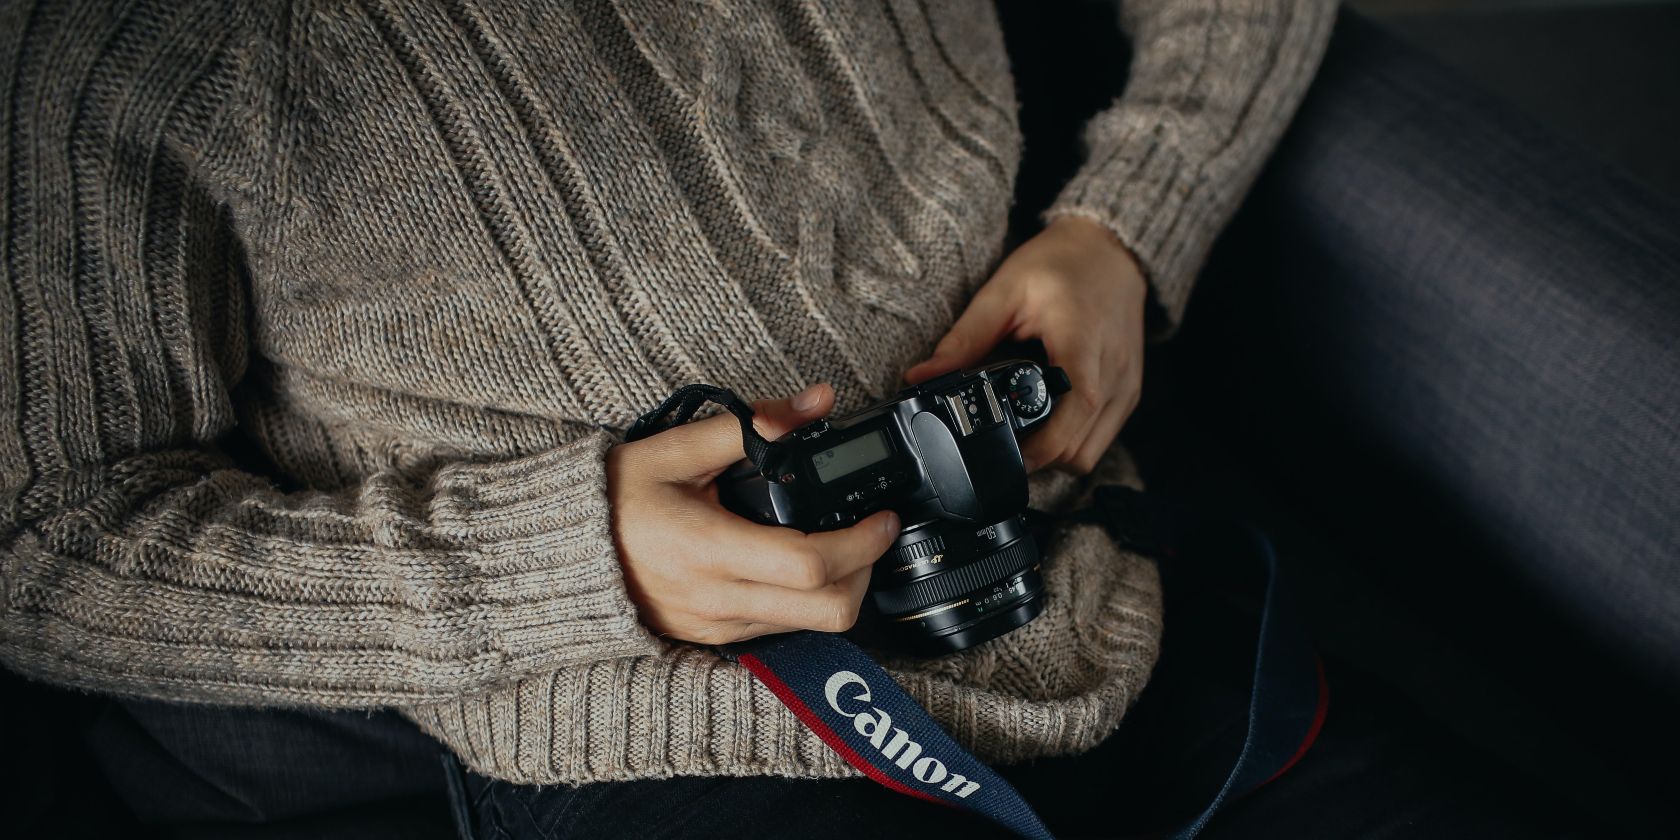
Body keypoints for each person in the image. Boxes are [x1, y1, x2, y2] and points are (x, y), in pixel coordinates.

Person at [0, 0, 1381, 837]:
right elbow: (47, 538)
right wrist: (570, 562)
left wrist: (1126, 227)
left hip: (1068, 578)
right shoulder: (122, 45)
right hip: (646, 718)